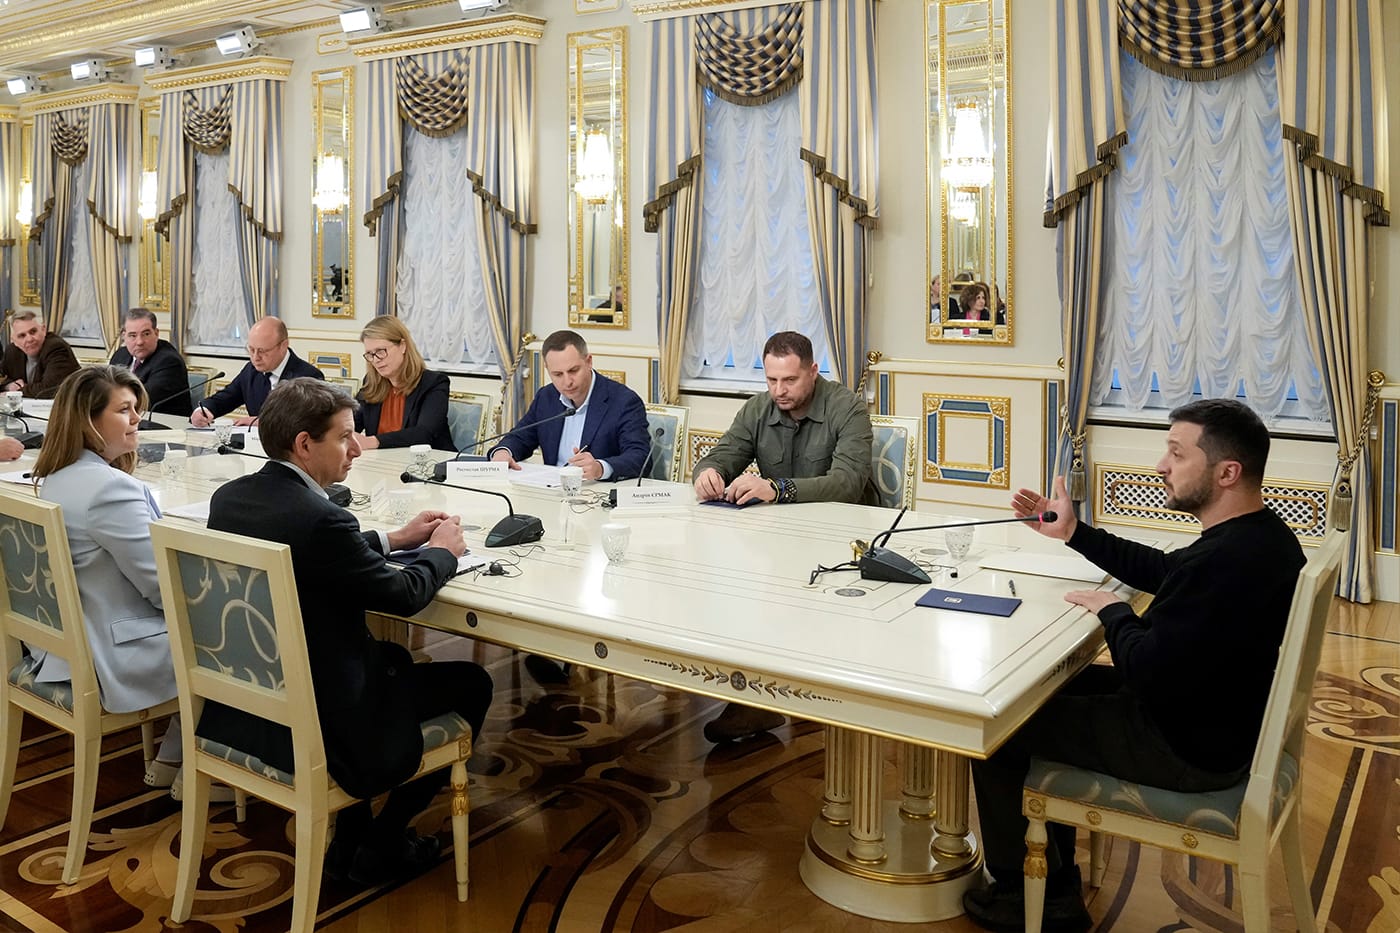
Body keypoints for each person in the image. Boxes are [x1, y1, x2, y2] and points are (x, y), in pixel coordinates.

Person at [962, 399, 1306, 933]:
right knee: (1035, 694)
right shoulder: (1263, 538)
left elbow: (1146, 669)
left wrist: (1114, 610)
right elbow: (1165, 571)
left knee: (996, 728)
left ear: (1227, 472)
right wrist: (1075, 533)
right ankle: (1054, 882)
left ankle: (1026, 894)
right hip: (1213, 715)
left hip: (1186, 746)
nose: (1161, 465)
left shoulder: (1225, 563)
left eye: (1176, 453)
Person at [197, 378, 494, 886]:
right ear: (305, 444)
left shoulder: (232, 499)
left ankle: (351, 836)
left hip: (252, 704)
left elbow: (322, 555)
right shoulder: (320, 520)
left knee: (390, 660)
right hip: (327, 710)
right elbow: (402, 595)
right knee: (472, 683)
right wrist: (442, 550)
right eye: (344, 437)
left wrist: (396, 537)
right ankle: (383, 840)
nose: (357, 448)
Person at [691, 331, 876, 742]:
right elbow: (724, 453)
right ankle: (754, 700)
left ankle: (821, 700)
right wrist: (710, 473)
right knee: (734, 590)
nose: (779, 390)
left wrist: (779, 489)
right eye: (772, 380)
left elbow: (846, 484)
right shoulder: (759, 408)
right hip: (775, 540)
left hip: (840, 543)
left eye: (789, 380)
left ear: (813, 370)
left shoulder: (848, 408)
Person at [27, 367, 186, 790]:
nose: (137, 419)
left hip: (60, 644)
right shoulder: (110, 490)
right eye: (125, 410)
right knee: (236, 636)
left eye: (137, 409)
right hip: (112, 652)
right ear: (88, 420)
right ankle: (198, 768)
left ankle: (176, 758)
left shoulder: (56, 477)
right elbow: (161, 590)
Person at [490, 329, 649, 481]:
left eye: (573, 370)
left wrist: (601, 468)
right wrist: (503, 452)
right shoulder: (546, 397)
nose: (567, 382)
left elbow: (640, 457)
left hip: (598, 494)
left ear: (588, 362)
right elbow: (520, 437)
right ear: (548, 370)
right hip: (552, 492)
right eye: (558, 374)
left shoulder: (623, 401)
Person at [190, 317, 323, 427]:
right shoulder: (251, 371)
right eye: (251, 350)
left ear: (283, 346)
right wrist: (204, 410)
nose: (255, 357)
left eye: (262, 351)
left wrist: (260, 422)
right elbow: (226, 397)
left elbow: (306, 422)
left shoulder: (309, 377)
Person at [352, 316, 452, 451]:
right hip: (381, 463)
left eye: (381, 351)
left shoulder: (433, 383)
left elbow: (424, 433)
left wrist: (373, 441)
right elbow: (352, 423)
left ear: (403, 346)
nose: (376, 360)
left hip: (427, 464)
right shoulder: (371, 382)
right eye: (370, 354)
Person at [109, 308, 192, 416]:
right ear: (124, 336)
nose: (139, 342)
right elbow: (107, 386)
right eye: (133, 335)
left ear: (156, 333)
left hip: (163, 427)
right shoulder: (120, 355)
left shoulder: (169, 361)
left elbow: (142, 399)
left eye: (146, 334)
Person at [0, 310, 81, 399]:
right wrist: (8, 386)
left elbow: (49, 389)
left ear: (43, 329)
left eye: (33, 331)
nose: (29, 339)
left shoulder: (56, 348)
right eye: (22, 336)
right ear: (13, 340)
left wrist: (16, 392)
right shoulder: (12, 351)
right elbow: (2, 378)